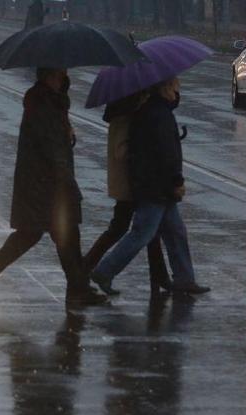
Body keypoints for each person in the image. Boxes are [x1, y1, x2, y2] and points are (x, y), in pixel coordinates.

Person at [0, 68, 107, 310]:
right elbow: (51, 147)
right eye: (62, 71)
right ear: (52, 74)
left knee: (56, 235)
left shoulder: (50, 101)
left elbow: (53, 140)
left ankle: (76, 288)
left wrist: (67, 128)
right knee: (51, 234)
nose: (65, 74)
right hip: (46, 184)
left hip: (42, 183)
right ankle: (76, 289)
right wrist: (66, 181)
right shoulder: (44, 103)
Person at [90, 78, 209, 296]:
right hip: (155, 187)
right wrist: (177, 181)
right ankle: (104, 271)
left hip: (153, 185)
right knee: (141, 233)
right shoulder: (159, 115)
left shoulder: (153, 110)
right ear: (164, 88)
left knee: (176, 231)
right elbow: (166, 154)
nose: (178, 91)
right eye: (175, 87)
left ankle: (185, 278)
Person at [83, 91, 172, 296]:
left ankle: (160, 277)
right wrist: (145, 144)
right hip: (128, 182)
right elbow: (121, 151)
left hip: (135, 180)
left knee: (150, 229)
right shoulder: (124, 114)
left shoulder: (132, 110)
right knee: (122, 228)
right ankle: (86, 270)